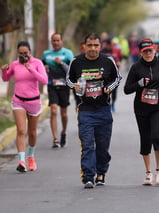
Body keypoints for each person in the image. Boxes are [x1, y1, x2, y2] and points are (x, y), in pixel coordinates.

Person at [66, 33, 121, 188]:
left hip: (104, 110)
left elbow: (117, 78)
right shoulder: (76, 62)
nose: (93, 48)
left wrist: (108, 88)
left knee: (103, 146)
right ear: (85, 46)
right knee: (88, 144)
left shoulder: (108, 61)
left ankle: (101, 172)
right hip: (85, 110)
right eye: (90, 45)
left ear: (100, 46)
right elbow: (68, 79)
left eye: (96, 45)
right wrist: (74, 86)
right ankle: (88, 176)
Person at [124, 38, 159, 186]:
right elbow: (127, 89)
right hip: (141, 107)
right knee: (145, 138)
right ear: (140, 52)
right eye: (145, 51)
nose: (148, 54)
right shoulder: (136, 68)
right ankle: (148, 173)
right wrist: (139, 83)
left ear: (154, 51)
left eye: (150, 51)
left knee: (157, 136)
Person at [1, 41, 48, 172]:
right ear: (17, 53)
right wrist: (3, 71)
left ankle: (31, 157)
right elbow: (6, 78)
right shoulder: (15, 64)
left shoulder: (37, 63)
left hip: (33, 102)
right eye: (20, 54)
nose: (23, 56)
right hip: (18, 101)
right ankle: (21, 161)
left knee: (32, 133)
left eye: (25, 53)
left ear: (30, 52)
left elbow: (44, 80)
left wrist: (31, 69)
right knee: (21, 131)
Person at [42, 33, 74, 148]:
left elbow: (71, 70)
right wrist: (44, 68)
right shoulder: (46, 54)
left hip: (64, 85)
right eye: (53, 40)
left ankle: (63, 132)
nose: (55, 43)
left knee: (63, 113)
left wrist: (61, 63)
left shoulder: (68, 53)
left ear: (61, 41)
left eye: (57, 40)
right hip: (52, 85)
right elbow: (41, 67)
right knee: (54, 110)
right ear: (51, 41)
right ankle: (55, 139)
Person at [101, 38, 123, 112]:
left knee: (114, 90)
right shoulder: (102, 51)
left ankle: (113, 103)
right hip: (105, 74)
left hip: (114, 73)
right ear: (106, 45)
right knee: (105, 89)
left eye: (112, 45)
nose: (111, 46)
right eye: (109, 45)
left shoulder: (116, 50)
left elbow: (120, 56)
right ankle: (107, 103)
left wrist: (119, 61)